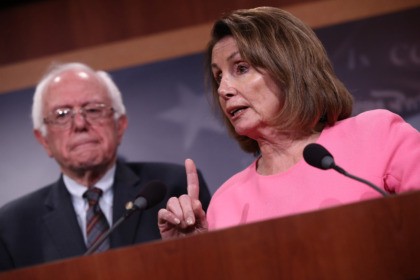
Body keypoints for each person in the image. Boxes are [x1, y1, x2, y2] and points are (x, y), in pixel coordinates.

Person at [157, 7, 420, 238]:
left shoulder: (375, 135)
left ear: (288, 68)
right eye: (218, 77)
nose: (223, 89)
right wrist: (195, 254)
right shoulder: (227, 202)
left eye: (241, 68)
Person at [0, 62, 211, 271]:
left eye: (93, 109)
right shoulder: (12, 226)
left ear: (120, 125)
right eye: (62, 114)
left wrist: (194, 248)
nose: (80, 124)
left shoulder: (174, 187)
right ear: (44, 139)